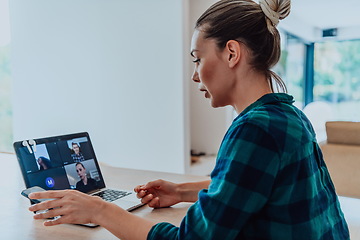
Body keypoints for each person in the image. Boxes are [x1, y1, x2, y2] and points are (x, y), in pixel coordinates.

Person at [28, 0, 350, 239]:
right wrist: (181, 192)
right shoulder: (289, 115)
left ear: (232, 53)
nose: (195, 75)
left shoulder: (255, 130)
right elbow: (246, 184)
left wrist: (99, 209)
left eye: (198, 59)